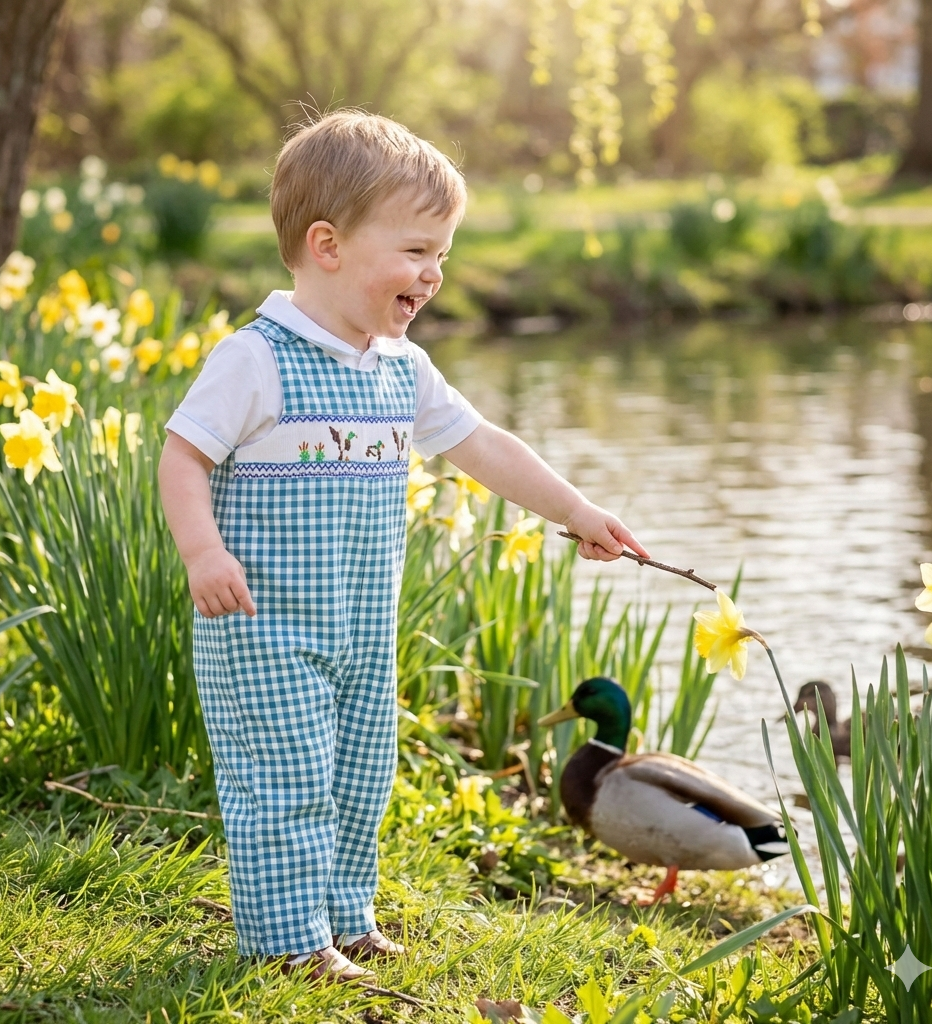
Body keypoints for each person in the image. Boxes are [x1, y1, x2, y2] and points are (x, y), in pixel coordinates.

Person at [158, 109, 647, 981]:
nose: (434, 274)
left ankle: (344, 919)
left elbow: (483, 444)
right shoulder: (256, 359)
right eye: (417, 249)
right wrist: (202, 553)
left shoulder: (400, 367)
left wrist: (576, 511)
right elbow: (182, 454)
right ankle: (284, 942)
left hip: (360, 629)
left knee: (359, 774)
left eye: (444, 254)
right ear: (328, 245)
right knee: (288, 779)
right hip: (265, 627)